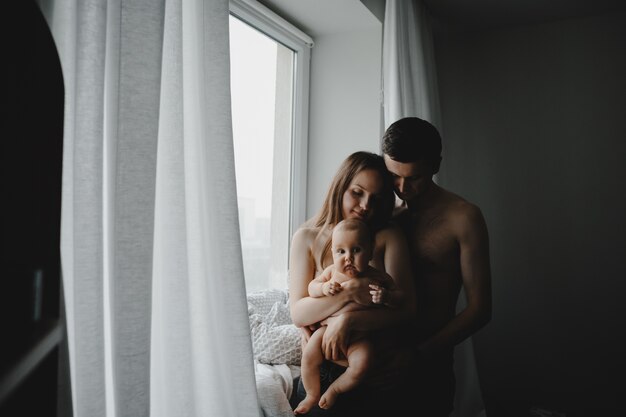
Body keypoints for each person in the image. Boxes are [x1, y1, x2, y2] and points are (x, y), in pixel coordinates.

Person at [288, 151, 415, 417]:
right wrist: (349, 294)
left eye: (376, 198)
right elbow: (299, 313)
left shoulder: (388, 237)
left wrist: (347, 322)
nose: (366, 205)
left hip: (374, 366)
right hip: (321, 370)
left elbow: (405, 310)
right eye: (357, 192)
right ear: (340, 187)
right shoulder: (306, 238)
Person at [382, 117, 493, 416]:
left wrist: (417, 356)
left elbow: (480, 309)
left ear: (436, 165)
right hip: (376, 357)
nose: (403, 187)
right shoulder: (384, 214)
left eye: (414, 177)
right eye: (394, 176)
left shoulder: (463, 218)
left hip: (429, 363)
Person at [294, 218, 395, 414]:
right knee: (308, 356)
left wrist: (387, 296)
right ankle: (312, 394)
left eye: (356, 250)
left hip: (360, 337)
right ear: (333, 253)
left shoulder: (378, 277)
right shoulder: (331, 273)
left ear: (370, 252)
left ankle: (335, 389)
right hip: (326, 332)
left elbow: (401, 299)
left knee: (363, 362)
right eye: (341, 251)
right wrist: (323, 287)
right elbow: (311, 288)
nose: (348, 257)